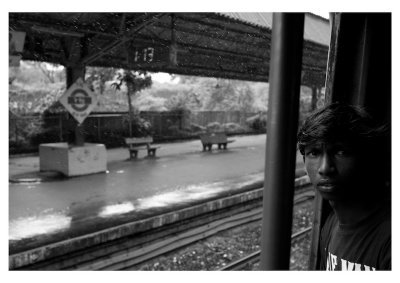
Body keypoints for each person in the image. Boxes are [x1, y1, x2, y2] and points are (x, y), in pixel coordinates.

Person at [297, 102, 391, 271]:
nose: (325, 168)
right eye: (314, 153)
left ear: (365, 158)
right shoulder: (331, 225)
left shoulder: (388, 238)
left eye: (341, 152)